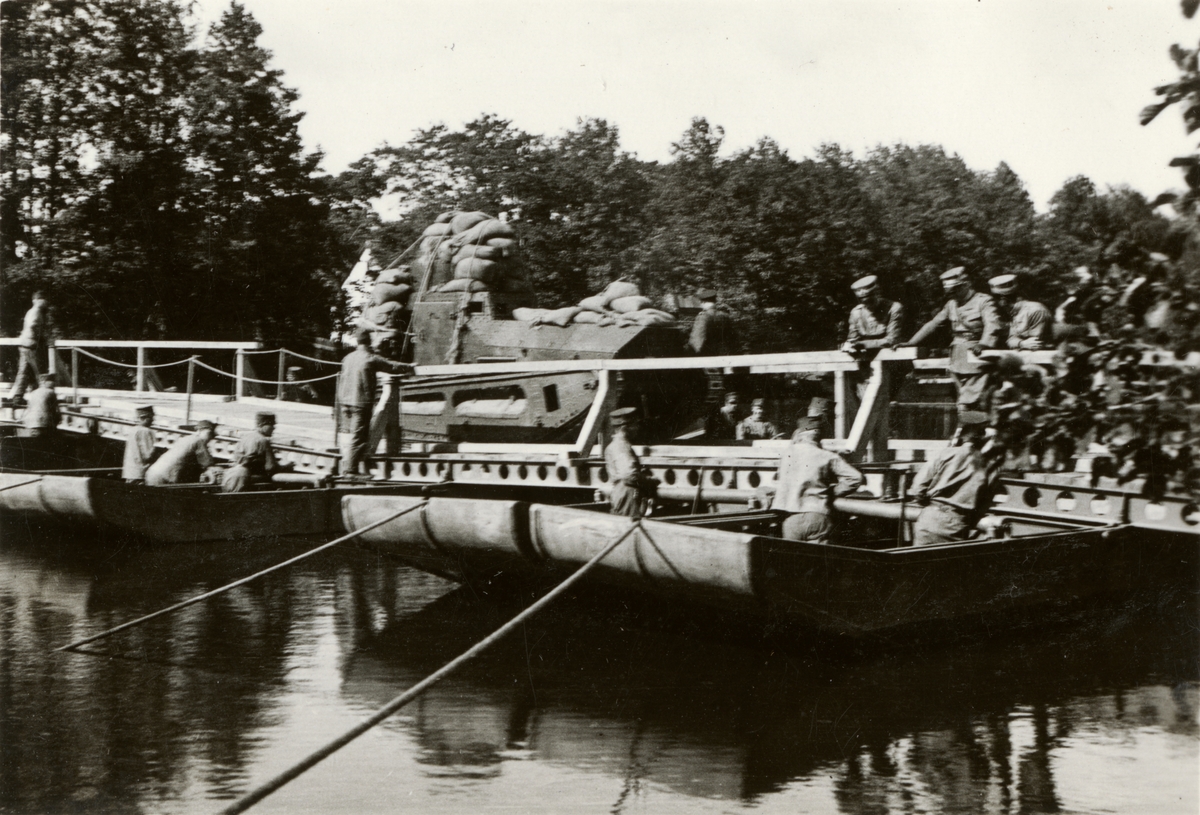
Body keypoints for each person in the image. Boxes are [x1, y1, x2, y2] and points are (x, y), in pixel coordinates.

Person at [907, 266, 1001, 414]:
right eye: (950, 291)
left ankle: (973, 422)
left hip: (977, 355)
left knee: (973, 399)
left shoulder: (983, 301)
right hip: (957, 357)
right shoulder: (952, 304)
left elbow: (992, 325)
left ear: (966, 285)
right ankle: (968, 423)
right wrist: (911, 343)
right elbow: (934, 324)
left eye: (956, 290)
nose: (953, 294)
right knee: (962, 398)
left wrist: (985, 343)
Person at [909, 412, 998, 546]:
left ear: (961, 436)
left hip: (928, 519)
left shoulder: (944, 454)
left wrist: (929, 504)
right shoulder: (990, 466)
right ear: (982, 438)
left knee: (918, 559)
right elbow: (983, 506)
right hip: (956, 525)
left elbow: (917, 489)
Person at [770, 416, 864, 543]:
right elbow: (856, 477)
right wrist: (832, 492)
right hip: (818, 516)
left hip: (791, 519)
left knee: (792, 555)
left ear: (800, 434)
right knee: (818, 556)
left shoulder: (786, 454)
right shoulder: (828, 456)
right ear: (819, 436)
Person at [336, 329, 414, 477]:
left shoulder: (347, 358)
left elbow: (343, 380)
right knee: (359, 437)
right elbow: (391, 366)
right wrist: (410, 366)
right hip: (361, 403)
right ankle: (350, 471)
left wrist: (342, 404)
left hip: (346, 401)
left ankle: (354, 466)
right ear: (369, 341)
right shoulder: (370, 358)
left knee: (354, 434)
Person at [605, 407, 657, 518]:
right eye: (635, 425)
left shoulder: (614, 445)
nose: (637, 428)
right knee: (629, 526)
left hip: (621, 492)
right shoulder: (622, 446)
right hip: (627, 495)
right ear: (624, 427)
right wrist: (651, 481)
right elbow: (629, 475)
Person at [222, 412, 289, 492]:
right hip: (246, 477)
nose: (274, 428)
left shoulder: (246, 437)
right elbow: (270, 467)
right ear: (264, 425)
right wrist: (286, 468)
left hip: (232, 473)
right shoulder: (263, 441)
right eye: (272, 425)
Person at [8, 291, 53, 404]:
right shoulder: (37, 311)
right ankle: (42, 399)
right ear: (37, 300)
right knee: (40, 372)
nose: (46, 302)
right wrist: (40, 337)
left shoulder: (30, 311)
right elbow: (33, 325)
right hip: (32, 345)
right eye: (43, 300)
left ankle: (18, 397)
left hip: (24, 345)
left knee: (23, 372)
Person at [842, 275, 904, 354]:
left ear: (877, 293)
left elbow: (892, 340)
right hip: (864, 357)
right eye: (862, 300)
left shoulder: (893, 308)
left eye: (870, 299)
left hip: (892, 354)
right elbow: (852, 339)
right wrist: (850, 344)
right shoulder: (856, 312)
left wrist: (861, 344)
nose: (867, 304)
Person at [990, 274, 1052, 350]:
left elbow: (1035, 344)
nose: (993, 304)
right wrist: (1021, 343)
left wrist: (1018, 343)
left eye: (995, 300)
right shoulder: (1015, 313)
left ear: (1003, 300)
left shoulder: (1035, 310)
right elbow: (1010, 340)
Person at [145, 420, 217, 487]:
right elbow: (207, 464)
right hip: (164, 478)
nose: (210, 439)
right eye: (210, 434)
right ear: (201, 431)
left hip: (153, 472)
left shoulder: (186, 439)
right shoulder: (198, 441)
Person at [688, 289, 736, 356]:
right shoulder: (725, 316)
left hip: (707, 355)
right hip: (723, 354)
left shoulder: (703, 317)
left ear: (702, 302)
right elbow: (732, 338)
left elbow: (697, 340)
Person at [122, 405, 158, 483]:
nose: (153, 420)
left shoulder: (133, 430)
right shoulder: (145, 431)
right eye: (151, 417)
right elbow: (148, 455)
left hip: (131, 472)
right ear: (144, 418)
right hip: (141, 474)